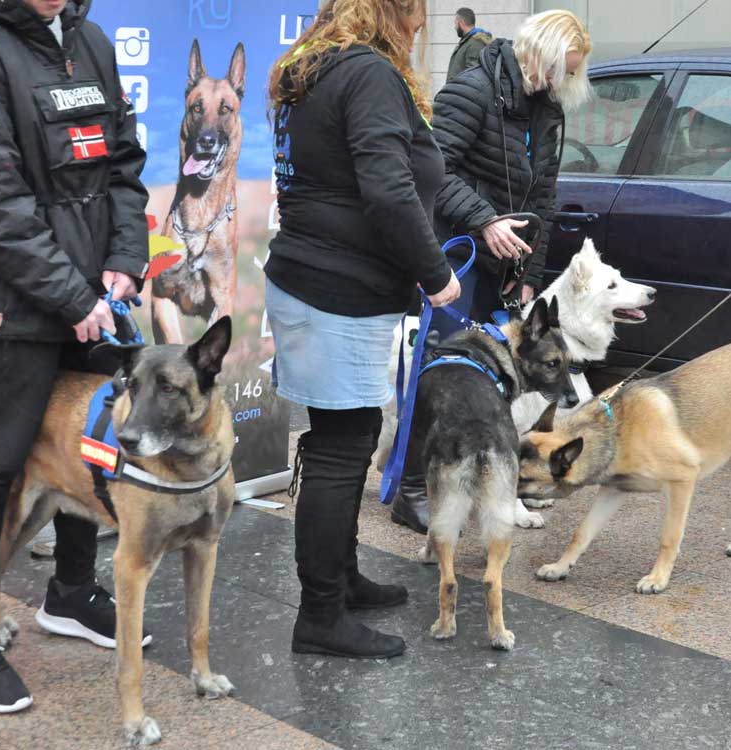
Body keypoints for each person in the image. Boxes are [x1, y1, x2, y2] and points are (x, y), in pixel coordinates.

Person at [0, 0, 149, 713]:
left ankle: (72, 592)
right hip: (11, 305)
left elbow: (122, 165)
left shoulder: (90, 41)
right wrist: (70, 297)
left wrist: (123, 260)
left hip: (92, 297)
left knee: (95, 450)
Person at [265, 0, 461, 659]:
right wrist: (436, 274)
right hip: (336, 287)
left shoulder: (310, 70)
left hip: (312, 277)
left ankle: (341, 580)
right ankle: (319, 616)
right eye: (417, 12)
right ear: (396, 12)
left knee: (344, 435)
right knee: (342, 445)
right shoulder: (369, 74)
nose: (421, 24)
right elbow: (388, 188)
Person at [390, 8, 591, 534]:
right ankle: (411, 488)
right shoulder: (472, 89)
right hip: (457, 253)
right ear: (539, 55)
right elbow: (431, 172)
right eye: (561, 68)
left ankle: (471, 486)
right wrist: (484, 222)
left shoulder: (548, 110)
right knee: (438, 378)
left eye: (570, 72)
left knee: (486, 388)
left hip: (503, 262)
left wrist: (530, 273)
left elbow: (542, 200)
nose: (564, 81)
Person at [447, 7, 492, 82]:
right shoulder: (467, 41)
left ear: (461, 23)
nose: (455, 27)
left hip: (462, 92)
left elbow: (473, 78)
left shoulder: (476, 43)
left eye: (456, 24)